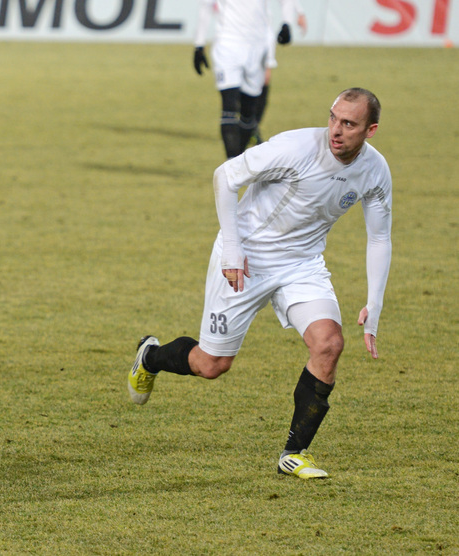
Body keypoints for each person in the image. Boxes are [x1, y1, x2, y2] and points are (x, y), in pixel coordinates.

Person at [128, 88, 391, 479]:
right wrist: (233, 248)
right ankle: (150, 356)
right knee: (212, 365)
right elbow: (225, 176)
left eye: (348, 123)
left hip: (301, 264)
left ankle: (294, 453)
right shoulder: (296, 147)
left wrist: (375, 303)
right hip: (245, 258)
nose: (335, 130)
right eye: (333, 117)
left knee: (329, 344)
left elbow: (379, 236)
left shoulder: (375, 170)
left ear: (370, 130)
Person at [193, 0, 301, 158]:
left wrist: (287, 23)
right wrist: (199, 44)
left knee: (248, 111)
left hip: (257, 46)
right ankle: (231, 164)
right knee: (229, 106)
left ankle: (237, 162)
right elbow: (206, 5)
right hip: (227, 44)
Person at [252, 1, 307, 144]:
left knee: (264, 79)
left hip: (263, 31)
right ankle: (243, 121)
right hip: (236, 32)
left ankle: (253, 126)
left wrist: (294, 16)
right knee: (242, 79)